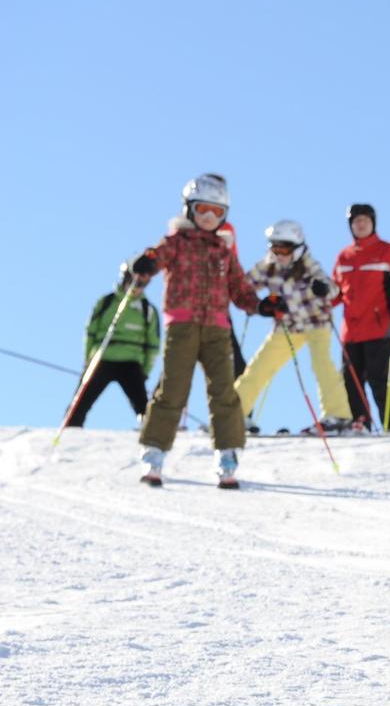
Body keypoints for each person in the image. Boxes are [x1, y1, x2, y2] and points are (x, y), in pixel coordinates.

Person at [130, 174, 284, 488]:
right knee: (173, 390)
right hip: (183, 325)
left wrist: (262, 306)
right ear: (189, 210)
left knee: (224, 392)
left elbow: (240, 290)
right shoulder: (175, 242)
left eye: (217, 212)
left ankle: (227, 457)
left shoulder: (223, 251)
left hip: (216, 328)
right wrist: (146, 263)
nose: (209, 218)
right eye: (203, 210)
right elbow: (157, 257)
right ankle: (154, 455)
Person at [234, 221, 350, 425]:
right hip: (287, 327)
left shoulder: (308, 264)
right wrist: (260, 304)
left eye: (285, 248)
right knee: (259, 367)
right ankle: (232, 414)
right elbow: (243, 286)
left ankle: (337, 415)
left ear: (297, 249)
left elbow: (332, 288)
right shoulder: (268, 266)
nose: (279, 254)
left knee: (322, 365)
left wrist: (323, 289)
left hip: (316, 324)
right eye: (274, 248)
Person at [330, 202, 390, 432]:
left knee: (380, 379)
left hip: (380, 326)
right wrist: (322, 296)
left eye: (364, 221)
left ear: (373, 223)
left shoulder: (388, 252)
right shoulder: (344, 257)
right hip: (351, 329)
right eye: (356, 221)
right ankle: (360, 423)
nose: (360, 225)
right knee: (351, 381)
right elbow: (336, 293)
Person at [72, 257, 161, 427]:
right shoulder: (106, 302)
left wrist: (145, 370)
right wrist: (88, 359)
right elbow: (90, 331)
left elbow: (153, 345)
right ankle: (70, 432)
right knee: (81, 402)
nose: (137, 288)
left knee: (143, 405)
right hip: (103, 358)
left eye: (142, 284)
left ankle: (150, 434)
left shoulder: (147, 309)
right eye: (134, 282)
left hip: (131, 363)